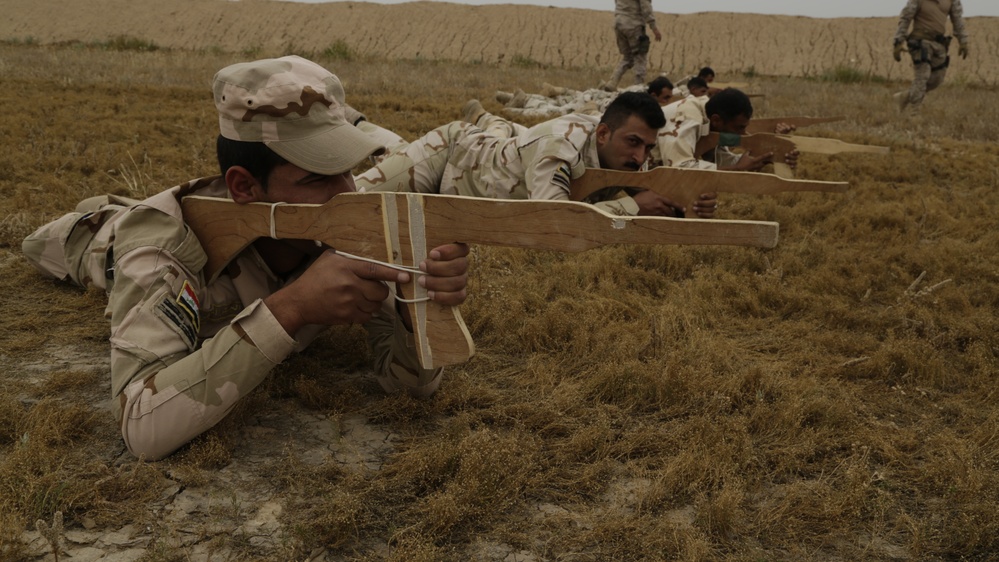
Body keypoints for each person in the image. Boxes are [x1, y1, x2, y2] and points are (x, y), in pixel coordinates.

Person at [20, 55, 470, 461]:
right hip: (101, 243)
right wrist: (290, 309)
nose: (348, 195)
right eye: (318, 179)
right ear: (244, 186)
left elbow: (410, 388)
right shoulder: (163, 245)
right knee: (53, 240)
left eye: (348, 171)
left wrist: (421, 304)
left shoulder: (341, 218)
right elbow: (142, 425)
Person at [356, 92, 718, 220]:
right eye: (634, 144)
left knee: (393, 153)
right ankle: (351, 124)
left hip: (495, 157)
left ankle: (357, 124)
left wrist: (687, 210)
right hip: (449, 159)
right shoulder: (563, 147)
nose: (641, 158)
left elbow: (655, 195)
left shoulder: (627, 149)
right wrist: (634, 206)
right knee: (352, 200)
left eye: (648, 148)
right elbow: (550, 220)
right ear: (604, 134)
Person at [650, 88, 799, 171]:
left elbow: (720, 159)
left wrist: (766, 157)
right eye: (738, 128)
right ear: (716, 120)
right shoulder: (689, 118)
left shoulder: (712, 117)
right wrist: (737, 169)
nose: (741, 134)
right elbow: (678, 169)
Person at [892, 0, 969, 114]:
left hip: (939, 44)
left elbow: (957, 20)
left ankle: (905, 96)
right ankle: (914, 112)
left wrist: (963, 41)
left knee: (937, 79)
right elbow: (906, 18)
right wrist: (898, 42)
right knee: (923, 75)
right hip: (920, 42)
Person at [601, 0, 663, 91]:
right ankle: (638, 87)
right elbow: (646, 8)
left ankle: (612, 82)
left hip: (619, 23)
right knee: (640, 57)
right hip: (633, 24)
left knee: (627, 57)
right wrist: (654, 27)